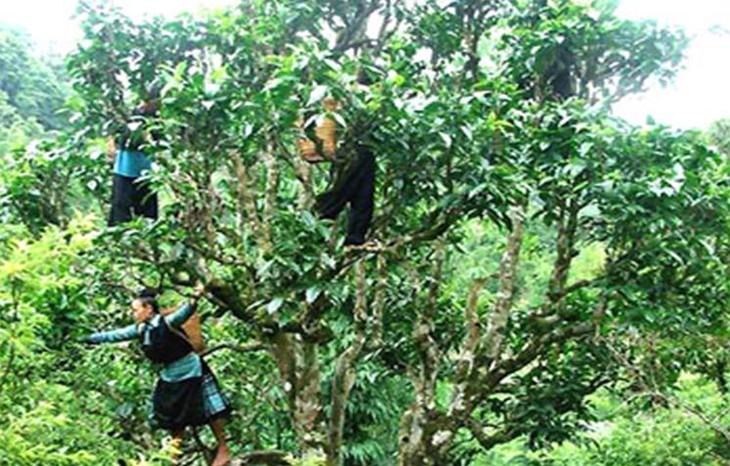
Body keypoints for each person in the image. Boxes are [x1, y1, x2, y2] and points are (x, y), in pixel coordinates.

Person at [82, 285, 232, 466]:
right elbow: (114, 335)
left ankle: (223, 449)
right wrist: (87, 338)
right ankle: (173, 457)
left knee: (210, 410)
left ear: (148, 309)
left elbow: (185, 312)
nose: (133, 314)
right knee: (173, 416)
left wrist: (195, 297)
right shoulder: (140, 330)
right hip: (170, 375)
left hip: (191, 370)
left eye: (135, 310)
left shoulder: (167, 322)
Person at [299, 93, 379, 250]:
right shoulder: (331, 92)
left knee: (362, 185)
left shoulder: (360, 99)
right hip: (341, 149)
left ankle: (355, 237)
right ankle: (317, 222)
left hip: (352, 149)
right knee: (346, 188)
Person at [107, 92, 160, 226]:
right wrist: (111, 143)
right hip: (124, 167)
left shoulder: (158, 119)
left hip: (146, 171)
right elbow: (114, 129)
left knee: (147, 212)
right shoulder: (129, 113)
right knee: (120, 208)